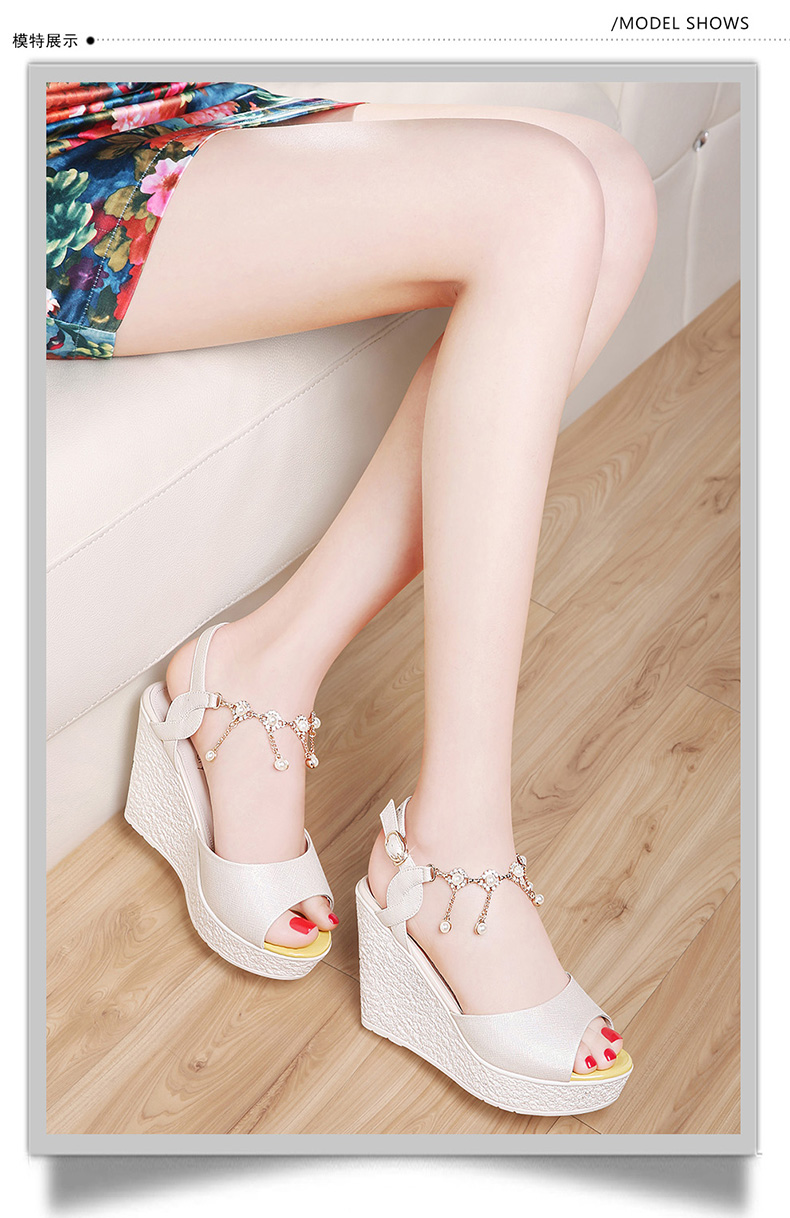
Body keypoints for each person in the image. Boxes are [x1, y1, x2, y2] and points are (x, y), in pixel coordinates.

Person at [52, 81, 657, 1115]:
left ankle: (263, 669)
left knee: (611, 181)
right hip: (49, 161)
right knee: (541, 197)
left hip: (142, 99)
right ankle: (454, 850)